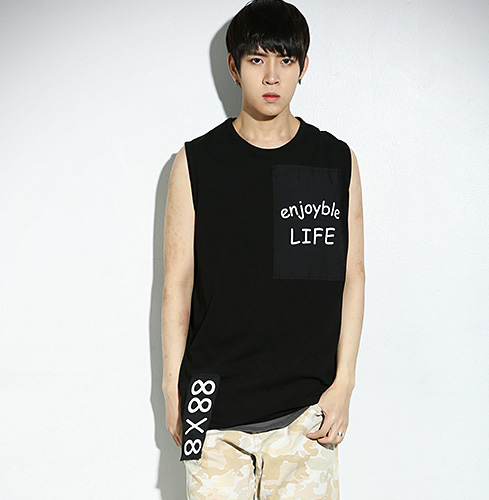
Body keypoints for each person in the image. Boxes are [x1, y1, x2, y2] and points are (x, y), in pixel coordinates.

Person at [161, 0, 365, 498]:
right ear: (234, 67)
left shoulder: (335, 160)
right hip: (209, 410)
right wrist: (170, 389)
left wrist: (344, 384)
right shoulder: (195, 162)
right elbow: (177, 284)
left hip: (307, 413)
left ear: (303, 67)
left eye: (285, 60)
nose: (272, 76)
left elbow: (353, 276)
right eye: (256, 60)